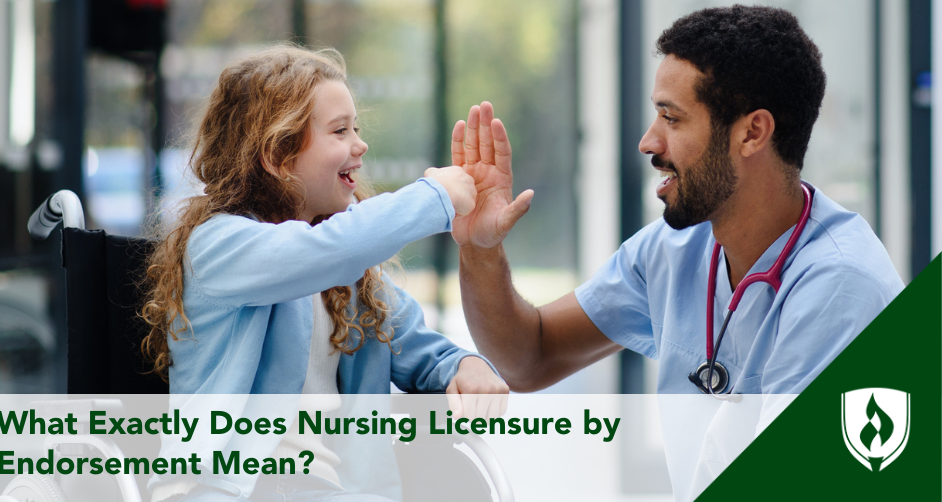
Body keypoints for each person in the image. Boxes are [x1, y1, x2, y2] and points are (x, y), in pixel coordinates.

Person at [451, 6, 904, 500]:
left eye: (671, 117)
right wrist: (481, 250)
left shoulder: (841, 286)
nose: (649, 141)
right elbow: (529, 357)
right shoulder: (675, 249)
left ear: (752, 132)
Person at [139, 45, 507, 501]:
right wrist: (434, 198)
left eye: (356, 128)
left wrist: (464, 365)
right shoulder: (219, 246)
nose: (360, 144)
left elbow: (415, 344)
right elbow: (323, 251)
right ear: (277, 154)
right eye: (339, 131)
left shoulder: (350, 275)